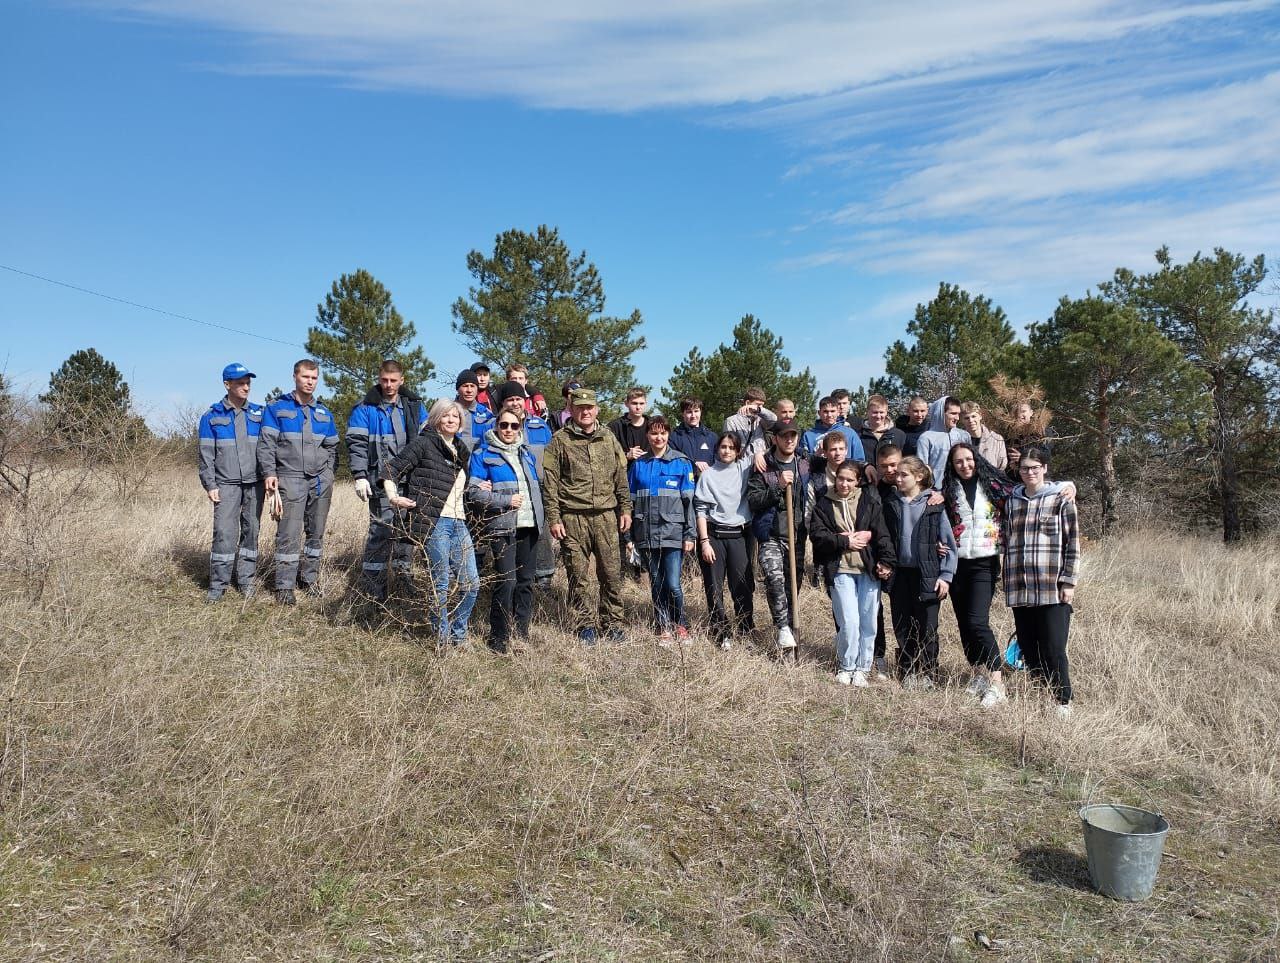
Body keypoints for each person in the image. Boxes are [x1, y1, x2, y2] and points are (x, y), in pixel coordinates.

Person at [380, 399, 479, 646]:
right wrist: (394, 497)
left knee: (471, 583)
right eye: (445, 416)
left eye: (455, 417)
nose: (450, 420)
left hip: (459, 522)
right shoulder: (424, 443)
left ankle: (458, 631)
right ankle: (442, 638)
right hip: (434, 522)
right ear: (436, 419)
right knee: (441, 583)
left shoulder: (462, 450)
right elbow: (391, 470)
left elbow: (462, 485)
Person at [542, 387, 633, 644]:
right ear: (571, 409)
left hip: (605, 516)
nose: (585, 412)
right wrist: (554, 517)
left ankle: (612, 622)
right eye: (580, 407)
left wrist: (625, 508)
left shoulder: (608, 438)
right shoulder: (559, 440)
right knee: (578, 576)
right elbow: (550, 483)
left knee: (612, 574)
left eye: (590, 407)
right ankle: (584, 624)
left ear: (597, 409)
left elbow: (620, 477)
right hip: (573, 517)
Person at [1003, 446, 1080, 716]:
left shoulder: (1061, 499)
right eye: (1025, 468)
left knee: (1054, 646)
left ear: (1045, 469)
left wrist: (1068, 581)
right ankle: (1038, 691)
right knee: (1028, 644)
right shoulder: (1012, 501)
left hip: (1051, 586)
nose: (1030, 472)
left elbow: (1072, 543)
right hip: (1020, 586)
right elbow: (1006, 538)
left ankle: (1062, 701)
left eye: (1035, 467)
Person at [258, 359, 339, 605]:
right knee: (289, 534)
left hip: (319, 481)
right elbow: (266, 445)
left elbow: (332, 448)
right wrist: (270, 473)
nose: (310, 382)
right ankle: (285, 586)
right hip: (289, 478)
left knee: (316, 534)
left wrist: (328, 475)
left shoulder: (324, 413)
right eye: (306, 377)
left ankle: (310, 579)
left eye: (314, 378)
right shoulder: (277, 408)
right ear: (295, 376)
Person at [940, 443, 1016, 707]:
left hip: (985, 561)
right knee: (963, 623)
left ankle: (997, 681)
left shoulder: (994, 485)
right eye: (958, 461)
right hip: (957, 563)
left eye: (968, 459)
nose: (964, 465)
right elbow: (943, 523)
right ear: (952, 465)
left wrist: (1064, 487)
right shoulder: (948, 491)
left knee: (977, 621)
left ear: (977, 459)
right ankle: (978, 674)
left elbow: (1026, 490)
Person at [347, 360, 428, 601]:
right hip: (379, 481)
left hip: (410, 480)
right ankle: (374, 588)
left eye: (394, 381)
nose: (389, 385)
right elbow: (357, 445)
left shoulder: (414, 406)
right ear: (379, 378)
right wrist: (359, 475)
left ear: (402, 380)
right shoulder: (365, 408)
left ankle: (404, 580)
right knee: (380, 532)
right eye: (384, 380)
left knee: (406, 533)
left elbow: (426, 440)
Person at [809, 459, 895, 686]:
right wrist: (844, 540)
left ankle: (863, 668)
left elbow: (882, 534)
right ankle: (846, 665)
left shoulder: (870, 503)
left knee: (868, 622)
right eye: (840, 478)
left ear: (858, 482)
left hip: (867, 570)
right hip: (840, 570)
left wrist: (886, 561)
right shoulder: (824, 504)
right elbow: (817, 536)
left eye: (849, 480)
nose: (844, 484)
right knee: (848, 620)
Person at [467, 407, 544, 654]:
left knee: (525, 582)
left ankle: (520, 633)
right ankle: (498, 636)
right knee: (506, 581)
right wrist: (503, 500)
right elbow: (473, 492)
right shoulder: (483, 454)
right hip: (503, 527)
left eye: (514, 425)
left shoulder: (527, 454)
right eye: (504, 425)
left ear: (520, 427)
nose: (509, 430)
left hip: (529, 525)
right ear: (496, 426)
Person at [881, 456, 956, 688]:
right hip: (900, 574)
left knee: (928, 625)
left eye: (904, 474)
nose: (898, 478)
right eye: (898, 475)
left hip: (928, 574)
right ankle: (907, 670)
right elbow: (884, 538)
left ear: (919, 477)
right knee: (902, 624)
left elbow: (948, 543)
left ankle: (929, 672)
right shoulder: (891, 503)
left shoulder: (933, 505)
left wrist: (946, 576)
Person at [198, 362, 265, 602]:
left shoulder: (260, 413)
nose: (246, 387)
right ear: (227, 385)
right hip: (226, 485)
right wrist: (210, 484)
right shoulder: (212, 416)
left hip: (255, 484)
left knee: (251, 532)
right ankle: (218, 585)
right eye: (240, 383)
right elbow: (206, 455)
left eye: (248, 383)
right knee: (224, 534)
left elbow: (269, 449)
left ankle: (246, 581)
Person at [627, 417, 696, 643]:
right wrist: (629, 537)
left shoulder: (681, 463)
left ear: (668, 435)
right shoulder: (639, 465)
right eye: (654, 434)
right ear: (647, 436)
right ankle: (663, 625)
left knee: (674, 585)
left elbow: (690, 504)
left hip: (674, 534)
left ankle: (680, 623)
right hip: (646, 533)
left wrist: (690, 534)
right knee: (656, 583)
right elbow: (630, 502)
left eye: (663, 433)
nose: (659, 438)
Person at [747, 418, 810, 657]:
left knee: (793, 587)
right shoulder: (764, 466)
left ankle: (792, 631)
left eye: (793, 435)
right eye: (785, 436)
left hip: (797, 537)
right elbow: (753, 500)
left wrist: (865, 466)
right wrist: (777, 487)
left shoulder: (804, 462)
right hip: (771, 535)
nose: (789, 439)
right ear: (775, 438)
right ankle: (783, 627)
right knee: (774, 580)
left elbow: (835, 462)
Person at [491, 380, 557, 585]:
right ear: (503, 403)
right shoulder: (497, 426)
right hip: (510, 490)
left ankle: (544, 577)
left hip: (539, 486)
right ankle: (511, 578)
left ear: (525, 400)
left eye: (518, 398)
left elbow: (552, 457)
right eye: (510, 399)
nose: (515, 403)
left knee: (541, 531)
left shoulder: (540, 425)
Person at [694, 432, 755, 649]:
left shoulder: (744, 468)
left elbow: (764, 438)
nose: (726, 451)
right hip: (714, 536)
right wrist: (704, 542)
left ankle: (746, 629)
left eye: (731, 447)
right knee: (714, 587)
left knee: (743, 585)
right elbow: (701, 511)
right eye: (722, 447)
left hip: (739, 536)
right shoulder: (708, 475)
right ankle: (721, 632)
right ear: (717, 449)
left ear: (738, 450)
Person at [915, 396, 971, 486]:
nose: (957, 418)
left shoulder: (964, 435)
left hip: (963, 488)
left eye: (958, 414)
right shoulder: (926, 438)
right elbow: (921, 469)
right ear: (941, 413)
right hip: (936, 492)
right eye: (953, 413)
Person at [724, 387, 776, 468]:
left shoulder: (761, 420)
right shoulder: (731, 421)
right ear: (747, 403)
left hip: (761, 464)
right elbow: (729, 446)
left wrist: (759, 409)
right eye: (758, 405)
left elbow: (774, 419)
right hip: (741, 466)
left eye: (762, 406)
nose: (760, 408)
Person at [856, 395, 907, 474]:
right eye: (875, 412)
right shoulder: (858, 435)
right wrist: (865, 466)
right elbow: (855, 459)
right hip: (866, 480)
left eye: (881, 412)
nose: (878, 416)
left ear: (886, 412)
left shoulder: (899, 435)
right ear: (868, 412)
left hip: (892, 480)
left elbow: (905, 460)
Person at [670, 397, 718, 475]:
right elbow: (672, 463)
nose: (693, 415)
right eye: (689, 412)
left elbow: (718, 463)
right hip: (683, 484)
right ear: (683, 413)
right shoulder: (674, 437)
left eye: (696, 411)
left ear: (701, 412)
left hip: (707, 484)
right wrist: (693, 465)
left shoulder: (712, 437)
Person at [454, 368, 495, 452]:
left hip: (479, 463)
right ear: (458, 389)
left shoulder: (487, 414)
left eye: (472, 386)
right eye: (465, 386)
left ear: (477, 389)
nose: (469, 390)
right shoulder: (446, 412)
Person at [960, 401, 1007, 471]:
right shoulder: (958, 440)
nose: (971, 420)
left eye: (973, 416)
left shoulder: (997, 439)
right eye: (967, 418)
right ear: (962, 420)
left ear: (980, 416)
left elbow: (1002, 465)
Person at [608, 388, 651, 463]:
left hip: (649, 471)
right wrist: (626, 455)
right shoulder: (615, 426)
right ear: (626, 404)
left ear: (645, 404)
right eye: (634, 403)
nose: (638, 407)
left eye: (641, 403)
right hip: (625, 472)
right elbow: (606, 454)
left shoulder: (652, 425)